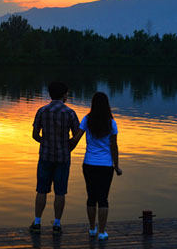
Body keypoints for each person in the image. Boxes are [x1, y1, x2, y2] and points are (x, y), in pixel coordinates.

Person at [29, 81, 80, 235]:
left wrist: (45, 142)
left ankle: (37, 222)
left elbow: (35, 135)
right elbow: (77, 135)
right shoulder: (70, 113)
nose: (67, 96)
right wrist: (68, 146)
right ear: (64, 94)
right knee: (60, 192)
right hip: (63, 158)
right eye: (67, 93)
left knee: (41, 190)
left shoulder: (42, 111)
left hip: (45, 156)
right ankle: (57, 225)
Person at [70, 91, 122, 241]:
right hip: (106, 165)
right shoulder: (111, 123)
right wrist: (117, 166)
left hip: (89, 164)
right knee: (103, 198)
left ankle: (92, 228)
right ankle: (102, 232)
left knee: (91, 197)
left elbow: (76, 139)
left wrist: (64, 146)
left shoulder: (87, 120)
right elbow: (114, 146)